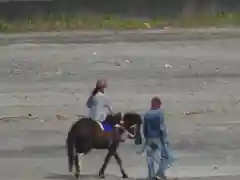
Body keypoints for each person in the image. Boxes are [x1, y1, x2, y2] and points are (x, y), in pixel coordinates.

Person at [138, 97, 174, 180]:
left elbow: (145, 128)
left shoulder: (147, 114)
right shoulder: (159, 113)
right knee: (166, 157)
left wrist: (146, 138)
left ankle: (151, 176)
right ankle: (160, 172)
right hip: (158, 138)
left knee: (150, 157)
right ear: (157, 104)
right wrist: (164, 136)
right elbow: (161, 127)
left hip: (149, 138)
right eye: (159, 104)